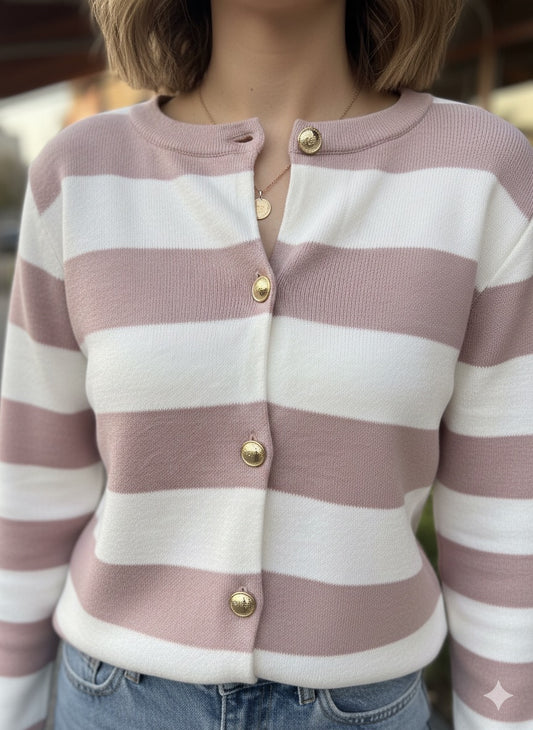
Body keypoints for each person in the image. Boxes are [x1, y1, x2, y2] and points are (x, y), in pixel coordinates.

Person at [0, 0, 531, 727]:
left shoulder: (481, 174)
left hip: (364, 705)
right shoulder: (79, 176)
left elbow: (506, 514)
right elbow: (31, 489)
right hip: (112, 701)